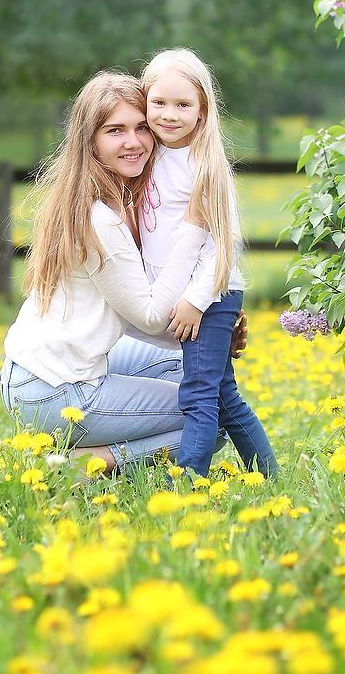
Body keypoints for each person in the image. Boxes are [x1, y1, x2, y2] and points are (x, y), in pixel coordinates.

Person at [0, 71, 214, 472]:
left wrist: (207, 329)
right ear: (91, 141)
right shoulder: (100, 219)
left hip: (31, 375)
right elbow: (149, 315)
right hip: (54, 392)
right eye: (115, 130)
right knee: (209, 413)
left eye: (141, 128)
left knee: (193, 367)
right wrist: (195, 225)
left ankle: (91, 446)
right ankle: (88, 464)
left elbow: (128, 311)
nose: (133, 142)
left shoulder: (108, 199)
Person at [139, 48, 277, 479]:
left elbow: (222, 245)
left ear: (202, 111)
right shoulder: (148, 157)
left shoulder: (205, 165)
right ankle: (269, 476)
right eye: (159, 102)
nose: (169, 114)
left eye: (183, 104)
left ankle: (188, 483)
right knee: (222, 394)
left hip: (208, 295)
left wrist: (197, 301)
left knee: (199, 395)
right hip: (183, 295)